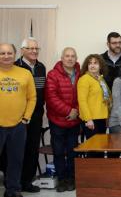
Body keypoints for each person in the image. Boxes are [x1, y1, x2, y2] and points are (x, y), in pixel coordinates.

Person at [0, 43, 36, 197]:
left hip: (18, 125)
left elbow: (32, 98)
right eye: (2, 53)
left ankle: (13, 189)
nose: (6, 56)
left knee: (16, 160)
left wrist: (26, 118)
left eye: (9, 53)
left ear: (15, 55)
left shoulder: (25, 73)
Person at [45, 47, 80, 192]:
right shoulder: (52, 74)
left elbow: (85, 96)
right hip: (58, 120)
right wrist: (68, 111)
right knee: (58, 152)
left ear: (76, 58)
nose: (70, 58)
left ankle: (72, 179)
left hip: (74, 121)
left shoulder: (81, 74)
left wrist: (76, 111)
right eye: (67, 56)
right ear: (62, 57)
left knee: (73, 151)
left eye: (73, 56)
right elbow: (51, 97)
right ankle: (62, 179)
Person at [14, 38, 46, 192]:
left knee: (32, 148)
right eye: (30, 48)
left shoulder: (41, 67)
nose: (34, 51)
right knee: (17, 149)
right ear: (22, 50)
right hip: (18, 116)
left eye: (36, 48)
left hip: (37, 115)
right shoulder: (15, 67)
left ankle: (27, 181)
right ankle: (15, 182)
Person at [78, 54, 111, 140]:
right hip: (91, 120)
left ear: (100, 66)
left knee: (100, 148)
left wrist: (107, 117)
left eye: (95, 63)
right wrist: (88, 120)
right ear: (87, 66)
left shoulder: (101, 79)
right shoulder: (84, 79)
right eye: (90, 63)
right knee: (93, 150)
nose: (92, 65)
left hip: (101, 119)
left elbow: (107, 98)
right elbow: (82, 101)